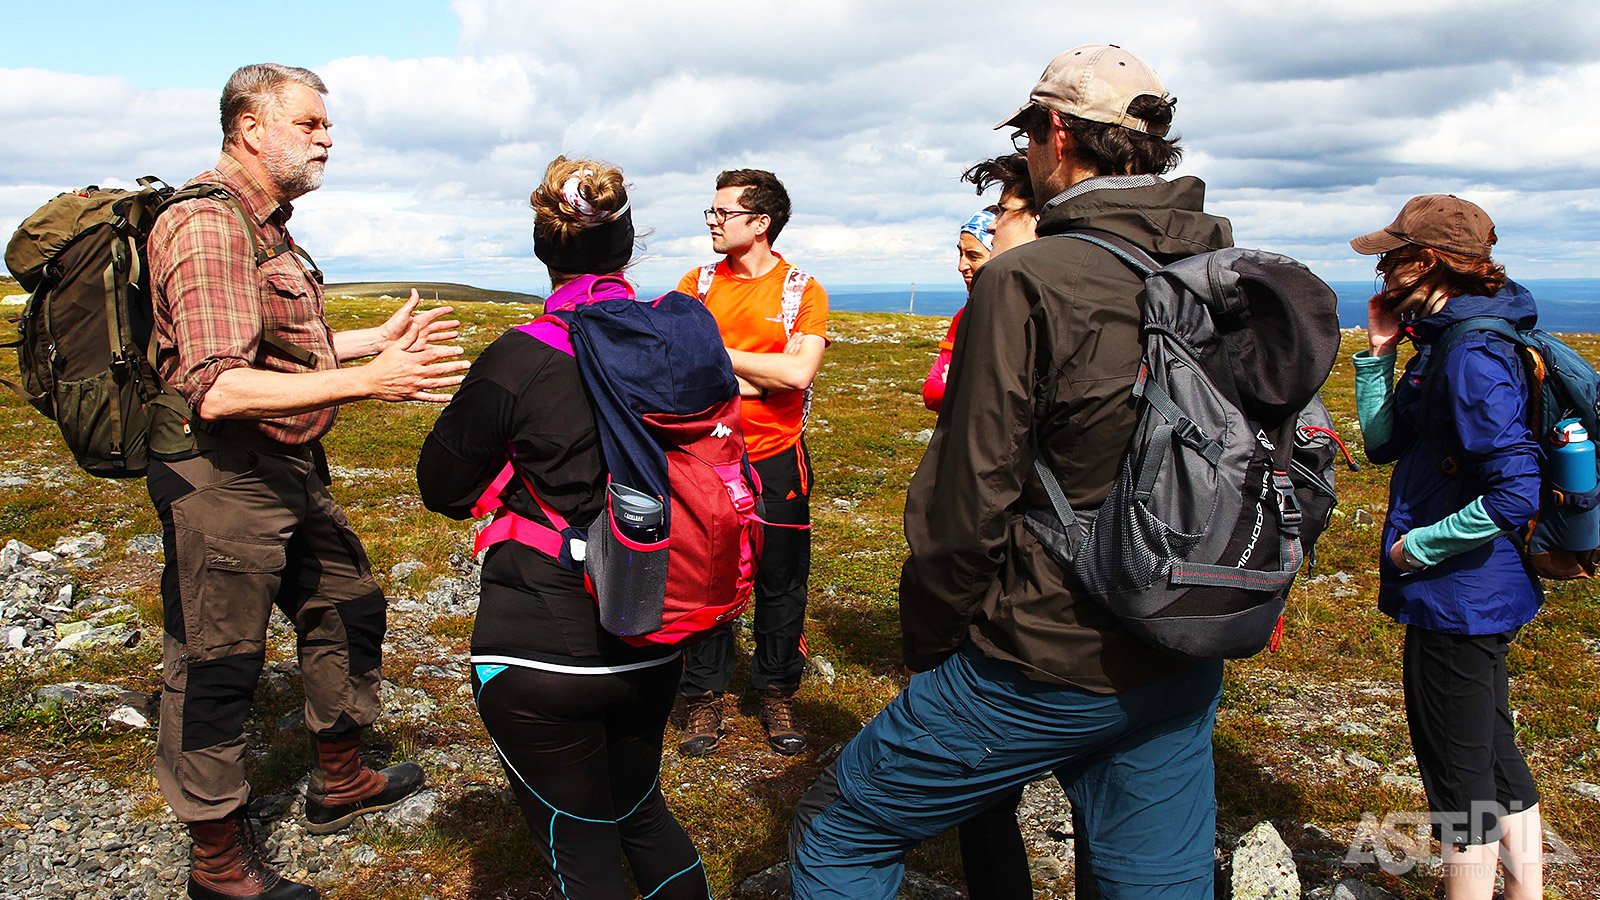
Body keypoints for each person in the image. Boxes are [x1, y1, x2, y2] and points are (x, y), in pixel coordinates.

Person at [789, 45, 1233, 899]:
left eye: (1030, 133)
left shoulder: (1027, 279)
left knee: (843, 830)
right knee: (1155, 884)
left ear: (1057, 131)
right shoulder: (1221, 272)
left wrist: (934, 645)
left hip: (1042, 653)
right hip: (1183, 648)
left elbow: (968, 500)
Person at [146, 63, 461, 900]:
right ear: (252, 127)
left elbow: (267, 343)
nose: (328, 138)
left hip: (282, 464)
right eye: (312, 124)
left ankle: (340, 778)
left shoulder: (266, 226)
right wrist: (372, 380)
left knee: (347, 602)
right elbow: (216, 384)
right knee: (216, 663)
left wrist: (360, 341)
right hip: (220, 475)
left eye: (327, 125)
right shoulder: (208, 227)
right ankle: (218, 861)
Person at [416, 157, 712, 899]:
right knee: (641, 811)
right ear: (629, 247)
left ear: (546, 251)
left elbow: (442, 487)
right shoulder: (680, 346)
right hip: (655, 626)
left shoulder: (519, 358)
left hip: (541, 646)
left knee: (577, 846)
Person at [1350, 195, 1543, 900]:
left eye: (1390, 256)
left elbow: (1515, 489)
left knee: (1459, 781)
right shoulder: (1445, 341)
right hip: (1484, 592)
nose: (1380, 268)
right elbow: (1381, 446)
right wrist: (1378, 355)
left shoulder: (1468, 355)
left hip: (1459, 595)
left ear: (1424, 263)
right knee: (1493, 759)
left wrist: (1416, 551)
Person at [675, 169, 829, 757]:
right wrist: (761, 375)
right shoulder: (695, 284)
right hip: (706, 457)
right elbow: (680, 374)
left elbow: (798, 375)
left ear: (760, 222)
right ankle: (704, 698)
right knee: (708, 574)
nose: (711, 221)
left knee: (781, 579)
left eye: (722, 212)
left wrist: (715, 357)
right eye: (710, 212)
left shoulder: (801, 289)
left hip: (776, 459)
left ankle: (776, 691)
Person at [923, 152, 1037, 413]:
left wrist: (957, 384)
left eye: (973, 255)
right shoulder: (963, 317)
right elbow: (931, 392)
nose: (961, 265)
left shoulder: (1025, 315)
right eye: (960, 253)